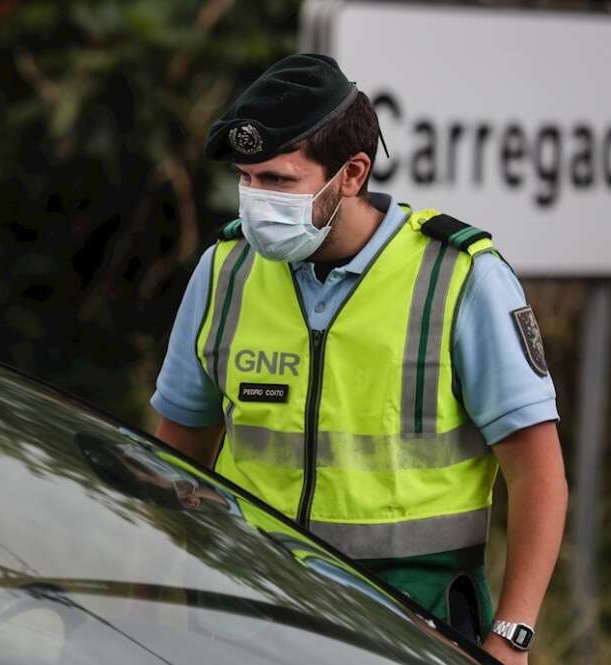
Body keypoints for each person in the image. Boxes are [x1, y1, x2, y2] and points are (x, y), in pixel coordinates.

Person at [150, 53, 567, 664]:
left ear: (351, 173)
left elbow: (540, 477)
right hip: (246, 617)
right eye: (247, 178)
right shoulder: (224, 271)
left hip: (409, 625)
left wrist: (512, 637)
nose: (255, 199)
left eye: (279, 181)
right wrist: (147, 595)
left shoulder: (457, 277)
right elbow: (173, 460)